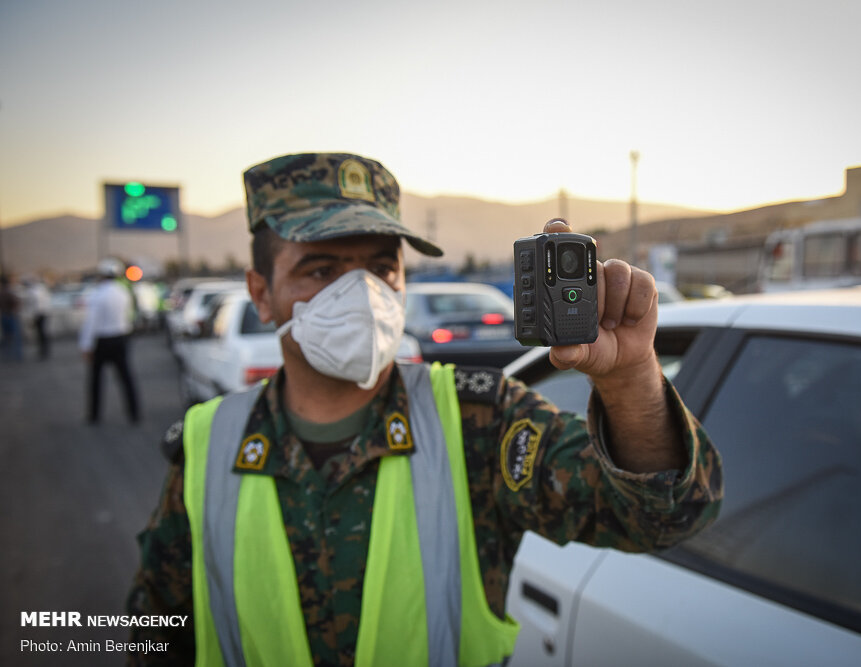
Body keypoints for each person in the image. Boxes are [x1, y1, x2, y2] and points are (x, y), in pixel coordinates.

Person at [126, 153, 723, 666]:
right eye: (322, 268)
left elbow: (664, 514)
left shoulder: (476, 422)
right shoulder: (209, 443)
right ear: (261, 293)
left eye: (383, 266)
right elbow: (156, 631)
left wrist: (630, 381)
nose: (362, 292)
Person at [79, 258, 141, 424]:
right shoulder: (123, 292)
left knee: (96, 380)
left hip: (102, 341)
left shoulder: (97, 294)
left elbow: (91, 322)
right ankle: (134, 413)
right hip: (121, 339)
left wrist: (86, 346)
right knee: (126, 378)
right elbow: (129, 316)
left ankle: (94, 416)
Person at [22, 276, 52, 360]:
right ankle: (43, 351)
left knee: (41, 334)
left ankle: (43, 352)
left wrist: (32, 316)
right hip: (42, 314)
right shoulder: (41, 289)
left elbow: (35, 304)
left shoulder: (34, 290)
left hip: (39, 314)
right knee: (42, 334)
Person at [0, 274, 24, 362]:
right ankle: (16, 355)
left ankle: (9, 355)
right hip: (11, 316)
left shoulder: (4, 292)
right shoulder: (10, 292)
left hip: (6, 315)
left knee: (8, 337)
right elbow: (18, 302)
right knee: (15, 337)